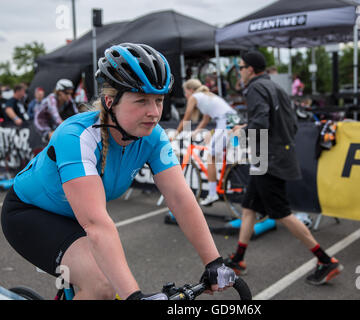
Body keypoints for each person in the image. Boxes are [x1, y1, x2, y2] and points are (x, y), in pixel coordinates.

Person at [1, 43, 236, 300]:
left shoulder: (153, 136)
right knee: (102, 287)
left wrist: (214, 262)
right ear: (110, 101)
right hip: (31, 214)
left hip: (74, 218)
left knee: (108, 277)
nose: (154, 112)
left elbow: (180, 198)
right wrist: (133, 296)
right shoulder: (76, 137)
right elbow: (97, 224)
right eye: (141, 101)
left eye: (158, 100)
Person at [224, 51, 343, 286]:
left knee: (282, 213)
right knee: (249, 207)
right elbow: (289, 123)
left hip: (269, 158)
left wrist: (242, 131)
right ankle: (238, 259)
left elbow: (261, 123)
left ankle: (326, 260)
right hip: (271, 155)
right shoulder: (273, 86)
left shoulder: (256, 88)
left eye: (241, 67)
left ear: (251, 69)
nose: (239, 71)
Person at [173, 78, 240, 206]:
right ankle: (223, 183)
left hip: (225, 124)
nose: (186, 96)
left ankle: (212, 194)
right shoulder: (207, 96)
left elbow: (186, 119)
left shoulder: (195, 97)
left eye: (186, 93)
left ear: (191, 91)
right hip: (233, 122)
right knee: (222, 156)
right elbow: (205, 120)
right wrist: (196, 132)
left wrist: (176, 134)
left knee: (211, 157)